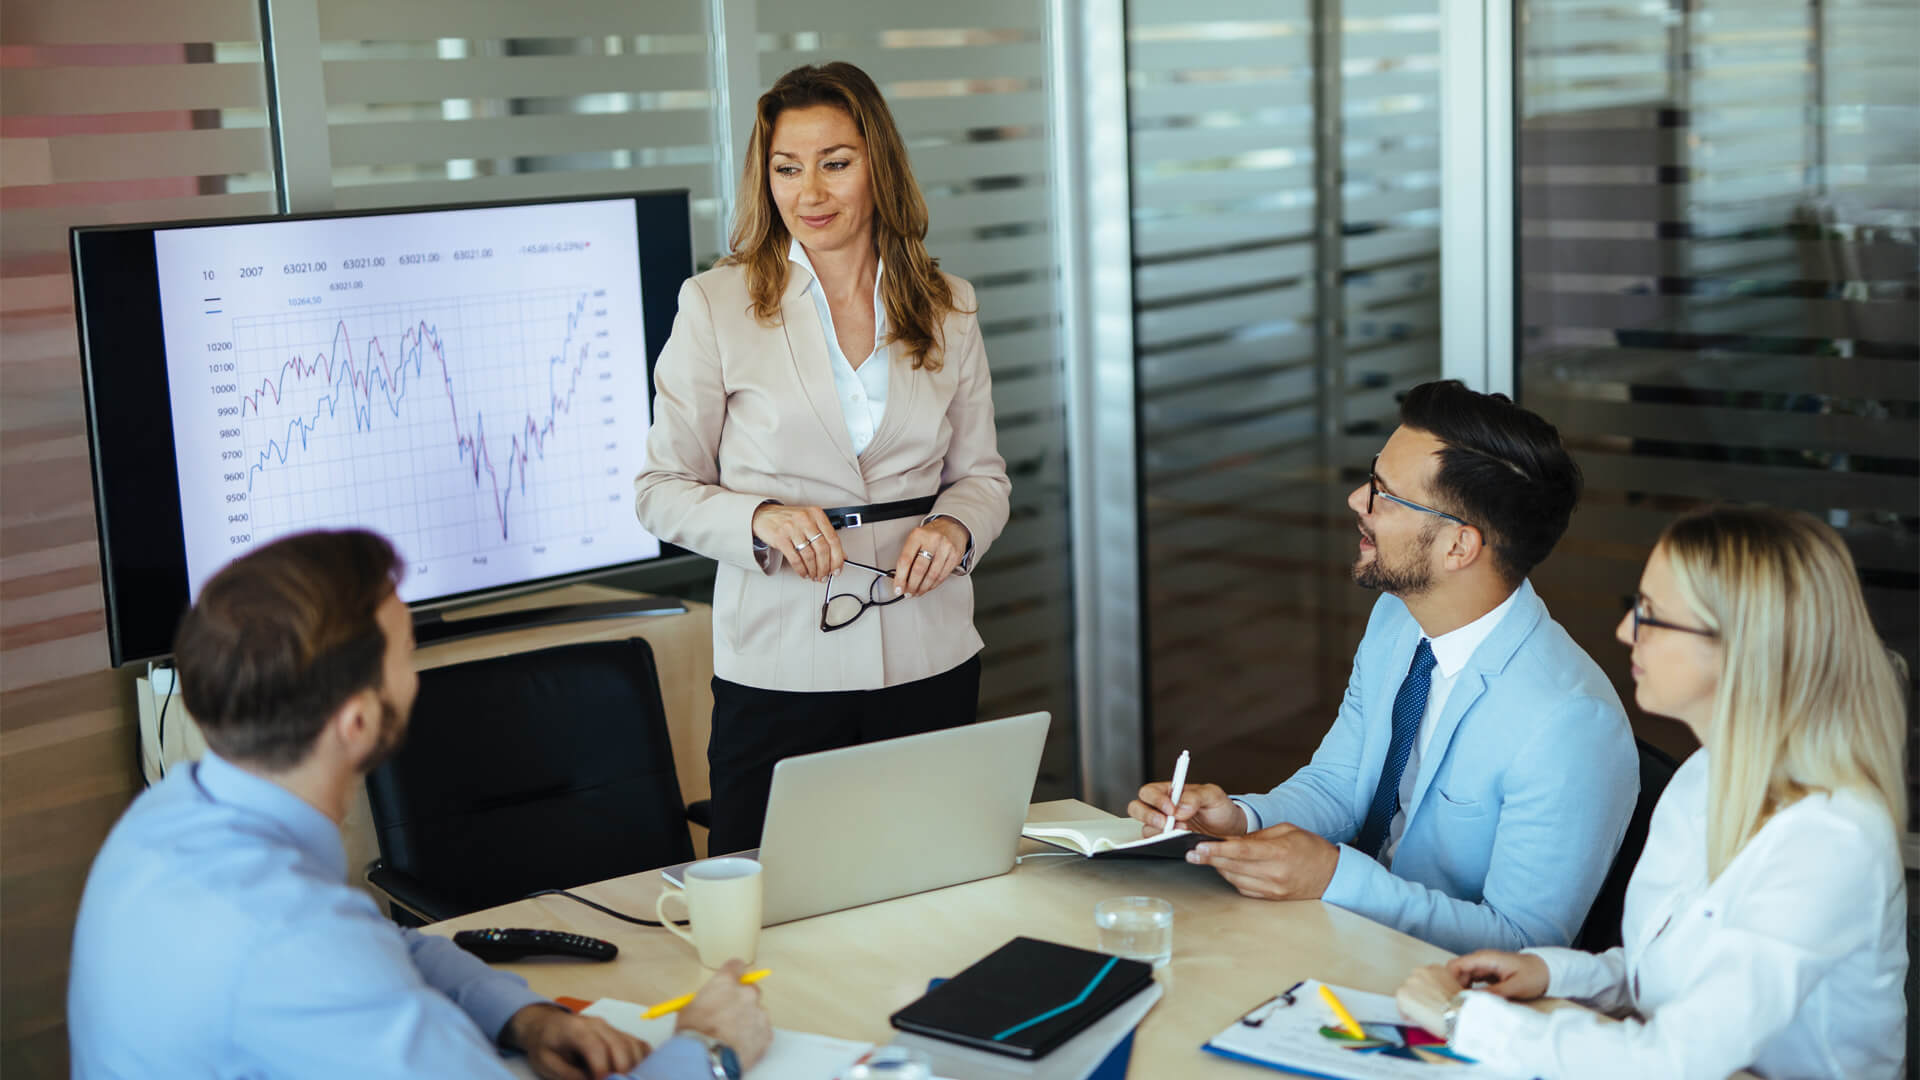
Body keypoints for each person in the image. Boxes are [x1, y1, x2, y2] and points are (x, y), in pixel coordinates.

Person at [68, 530, 771, 1080]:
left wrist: (523, 1016)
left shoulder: (164, 824)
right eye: (408, 654)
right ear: (356, 721)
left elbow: (383, 947)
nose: (416, 677)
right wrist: (709, 1051)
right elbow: (335, 958)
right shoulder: (293, 942)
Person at [634, 61, 1010, 856]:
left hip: (929, 653)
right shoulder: (715, 306)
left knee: (930, 881)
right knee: (773, 899)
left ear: (881, 167)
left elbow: (982, 475)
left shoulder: (949, 305)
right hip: (781, 664)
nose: (810, 192)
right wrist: (760, 519)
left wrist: (956, 529)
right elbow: (659, 489)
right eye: (787, 167)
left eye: (836, 163)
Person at [1396, 505, 1909, 1079]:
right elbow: (1678, 972)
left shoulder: (1829, 841)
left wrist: (1462, 1017)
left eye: (1651, 615)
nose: (1624, 631)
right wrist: (1556, 975)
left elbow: (1677, 1060)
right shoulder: (1705, 776)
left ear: (1742, 646)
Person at [1128, 380, 1638, 953]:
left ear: (1458, 548)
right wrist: (1241, 819)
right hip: (1334, 944)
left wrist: (1334, 878)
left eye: (1384, 495)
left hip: (1441, 1002)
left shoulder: (1569, 723)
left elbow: (1524, 942)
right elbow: (1344, 785)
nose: (1355, 501)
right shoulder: (1396, 621)